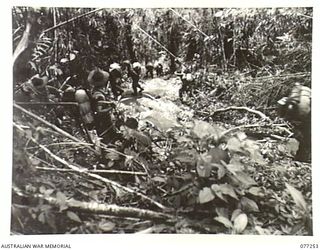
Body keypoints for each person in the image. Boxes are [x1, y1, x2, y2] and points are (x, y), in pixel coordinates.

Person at [277, 83, 311, 162]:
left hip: (294, 116)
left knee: (302, 137)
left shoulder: (293, 96)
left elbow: (283, 115)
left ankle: (299, 157)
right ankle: (302, 158)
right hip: (304, 117)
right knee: (307, 138)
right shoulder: (307, 96)